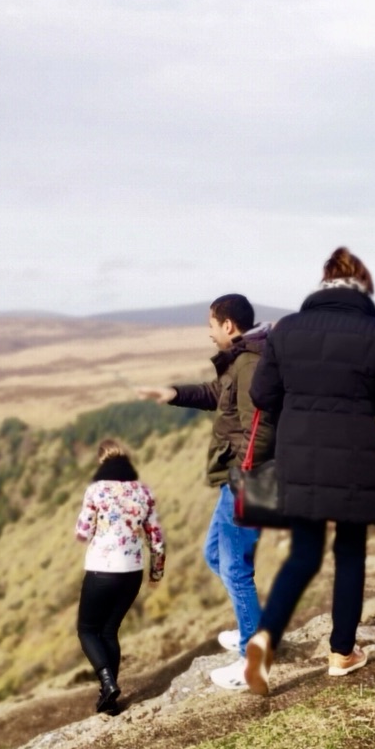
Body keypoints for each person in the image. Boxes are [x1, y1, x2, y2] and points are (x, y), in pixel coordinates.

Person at [243, 247, 375, 695]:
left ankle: (264, 638)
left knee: (303, 553)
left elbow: (263, 394)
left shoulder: (287, 330)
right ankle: (342, 654)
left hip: (299, 455)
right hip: (355, 453)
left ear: (323, 283)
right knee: (350, 551)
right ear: (363, 286)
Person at [139, 294, 269, 691]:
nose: (209, 332)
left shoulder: (250, 364)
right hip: (238, 479)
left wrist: (243, 474)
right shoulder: (242, 360)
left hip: (247, 481)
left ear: (228, 325)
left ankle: (254, 658)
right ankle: (256, 631)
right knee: (215, 554)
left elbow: (261, 429)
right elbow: (217, 395)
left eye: (211, 324)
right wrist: (174, 393)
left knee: (235, 568)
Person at [71, 439, 166, 715]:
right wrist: (156, 573)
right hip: (132, 572)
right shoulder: (144, 492)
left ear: (102, 463)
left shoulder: (96, 491)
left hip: (102, 568)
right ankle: (108, 699)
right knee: (110, 631)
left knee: (87, 630)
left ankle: (107, 682)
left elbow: (82, 532)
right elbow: (157, 539)